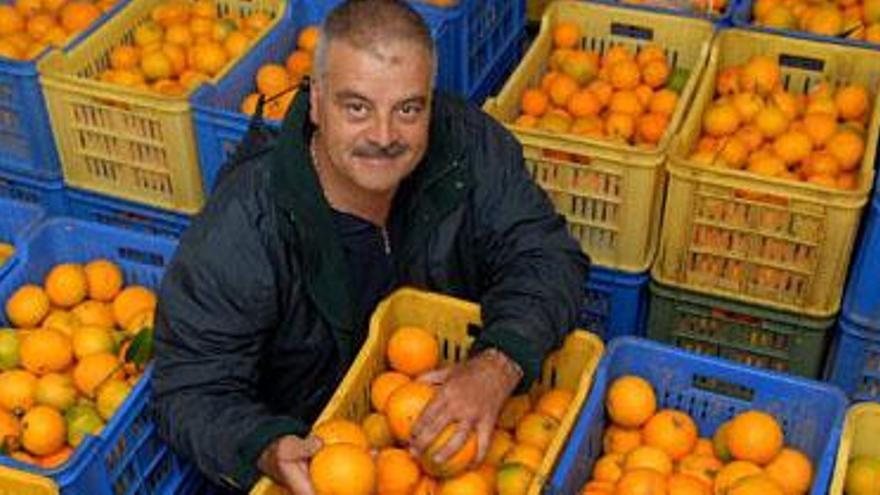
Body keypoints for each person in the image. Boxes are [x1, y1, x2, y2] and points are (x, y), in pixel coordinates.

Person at [151, 0, 590, 493]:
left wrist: (497, 363)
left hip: (448, 438)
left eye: (407, 109)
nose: (383, 136)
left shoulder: (469, 147)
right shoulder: (246, 225)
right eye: (356, 107)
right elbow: (188, 387)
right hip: (325, 459)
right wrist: (265, 446)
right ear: (315, 101)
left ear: (429, 98)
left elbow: (546, 255)